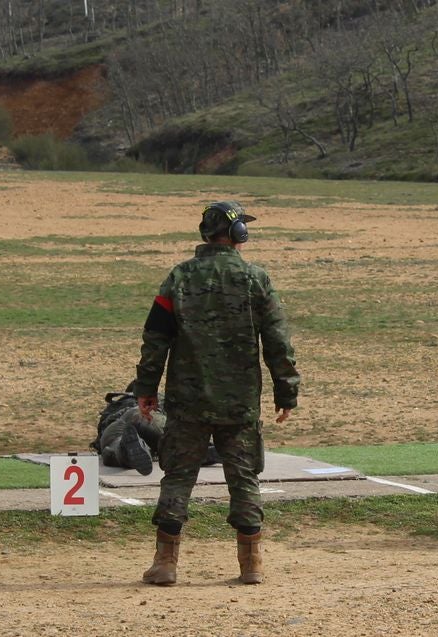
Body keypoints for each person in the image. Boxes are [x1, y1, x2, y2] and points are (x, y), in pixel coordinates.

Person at [132, 201, 300, 586]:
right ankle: (251, 564)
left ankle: (165, 562)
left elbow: (155, 339)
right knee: (244, 479)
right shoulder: (255, 278)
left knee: (178, 477)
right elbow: (277, 341)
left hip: (187, 402)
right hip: (239, 402)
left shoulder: (179, 278)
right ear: (239, 234)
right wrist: (286, 391)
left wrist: (146, 387)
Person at [92, 387, 222, 476]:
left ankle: (125, 450)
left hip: (117, 426)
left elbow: (100, 438)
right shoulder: (157, 399)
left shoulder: (114, 406)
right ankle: (199, 452)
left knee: (111, 451)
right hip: (146, 416)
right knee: (173, 442)